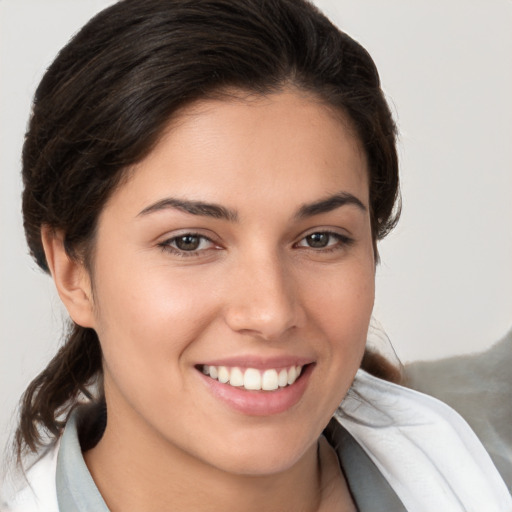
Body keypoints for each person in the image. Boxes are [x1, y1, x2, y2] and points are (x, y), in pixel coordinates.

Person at [1, 0, 510, 510]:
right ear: (73, 273)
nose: (271, 312)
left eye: (319, 238)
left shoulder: (488, 453)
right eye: (189, 241)